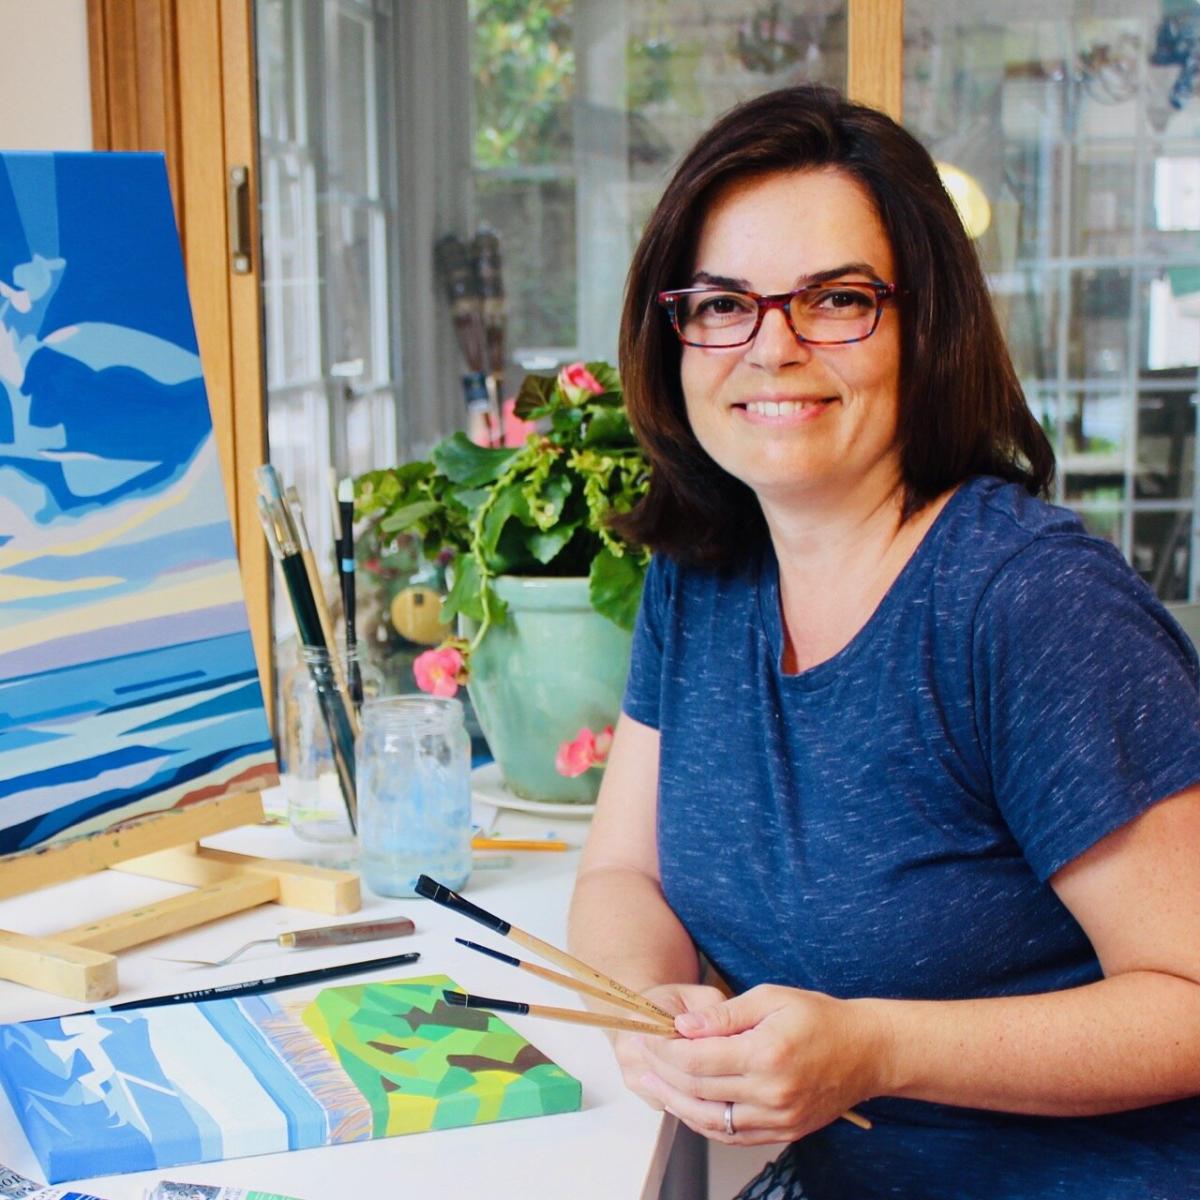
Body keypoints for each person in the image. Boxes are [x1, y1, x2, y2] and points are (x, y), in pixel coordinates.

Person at [567, 84, 1200, 1199]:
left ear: (928, 326)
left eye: (838, 300)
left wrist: (880, 1047)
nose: (772, 347)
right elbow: (625, 872)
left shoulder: (1029, 605)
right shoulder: (700, 578)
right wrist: (648, 1003)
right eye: (722, 304)